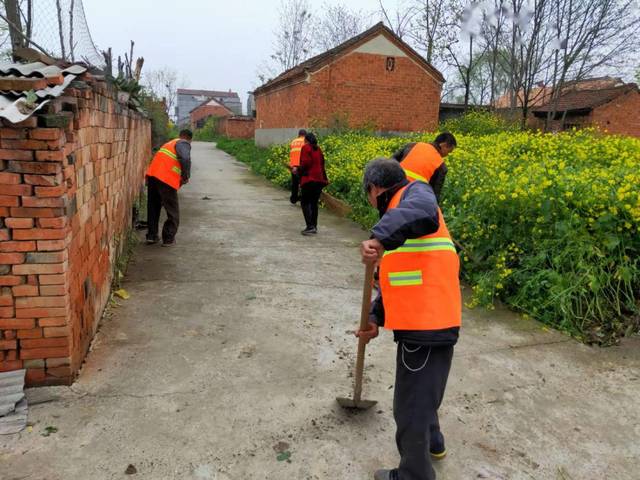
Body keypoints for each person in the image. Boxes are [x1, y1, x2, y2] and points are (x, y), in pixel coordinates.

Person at [356, 158, 461, 480]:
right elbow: (402, 278)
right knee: (424, 393)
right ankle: (434, 444)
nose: (372, 204)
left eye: (369, 196)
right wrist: (375, 316)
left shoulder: (416, 195)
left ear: (374, 189)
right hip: (430, 321)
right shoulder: (402, 222)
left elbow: (425, 213)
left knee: (410, 405)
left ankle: (413, 475)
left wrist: (379, 236)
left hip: (425, 325)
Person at [145, 129, 192, 247]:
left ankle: (152, 236)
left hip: (153, 176)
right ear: (189, 139)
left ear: (179, 135)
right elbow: (185, 159)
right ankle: (168, 238)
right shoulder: (183, 143)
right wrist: (185, 176)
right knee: (173, 211)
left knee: (153, 207)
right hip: (166, 179)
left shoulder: (169, 144)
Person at [392, 132, 457, 201]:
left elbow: (390, 164)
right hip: (412, 197)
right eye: (449, 151)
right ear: (443, 145)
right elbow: (434, 195)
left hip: (392, 189)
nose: (447, 155)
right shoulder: (441, 166)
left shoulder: (412, 146)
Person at [298, 132, 328, 235]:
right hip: (319, 180)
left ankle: (310, 226)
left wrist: (299, 171)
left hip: (309, 179)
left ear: (306, 140)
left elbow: (306, 162)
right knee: (314, 204)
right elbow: (322, 164)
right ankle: (314, 226)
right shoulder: (318, 149)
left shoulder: (306, 148)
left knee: (304, 202)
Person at [289, 129, 307, 204]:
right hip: (301, 165)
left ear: (299, 134)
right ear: (305, 135)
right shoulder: (306, 142)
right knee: (303, 182)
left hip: (293, 166)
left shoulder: (293, 141)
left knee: (295, 183)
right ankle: (303, 198)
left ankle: (294, 198)